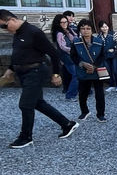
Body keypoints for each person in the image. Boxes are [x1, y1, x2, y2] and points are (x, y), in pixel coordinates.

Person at [1, 9, 79, 148]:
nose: (4, 30)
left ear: (11, 20)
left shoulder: (33, 32)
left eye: (3, 26)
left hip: (35, 71)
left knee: (25, 104)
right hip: (23, 73)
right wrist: (10, 69)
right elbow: (19, 54)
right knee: (37, 102)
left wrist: (56, 74)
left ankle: (26, 137)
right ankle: (67, 124)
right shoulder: (17, 34)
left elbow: (54, 54)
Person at [70, 19, 107, 122]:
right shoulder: (76, 42)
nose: (85, 31)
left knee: (99, 94)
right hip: (83, 70)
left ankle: (100, 114)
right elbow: (73, 56)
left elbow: (103, 56)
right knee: (83, 93)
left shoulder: (99, 41)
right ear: (79, 30)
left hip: (96, 70)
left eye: (88, 28)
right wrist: (82, 63)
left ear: (92, 30)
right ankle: (84, 111)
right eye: (82, 28)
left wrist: (94, 66)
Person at [52, 14, 78, 100]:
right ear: (58, 23)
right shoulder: (59, 33)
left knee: (73, 75)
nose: (64, 24)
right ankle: (70, 95)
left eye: (65, 22)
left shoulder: (69, 30)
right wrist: (72, 50)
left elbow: (76, 38)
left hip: (71, 56)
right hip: (67, 57)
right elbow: (62, 46)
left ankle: (73, 92)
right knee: (76, 75)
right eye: (62, 22)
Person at [97, 20, 117, 91]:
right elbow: (98, 46)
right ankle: (112, 85)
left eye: (106, 26)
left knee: (116, 70)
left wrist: (114, 48)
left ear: (108, 27)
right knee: (109, 71)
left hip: (114, 55)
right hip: (105, 56)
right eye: (102, 27)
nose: (105, 28)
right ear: (100, 28)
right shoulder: (99, 36)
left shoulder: (113, 34)